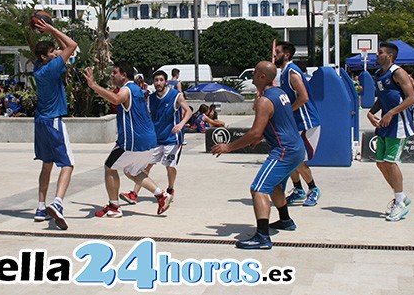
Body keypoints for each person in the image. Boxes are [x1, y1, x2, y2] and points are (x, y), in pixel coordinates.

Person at [212, 61, 304, 250]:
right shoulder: (280, 93)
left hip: (284, 151)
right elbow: (276, 122)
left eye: (254, 72)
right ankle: (285, 220)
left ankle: (262, 237)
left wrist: (229, 147)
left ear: (262, 77)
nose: (252, 74)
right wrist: (260, 135)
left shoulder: (264, 100)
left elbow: (254, 132)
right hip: (295, 148)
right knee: (274, 186)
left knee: (258, 189)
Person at [83, 62, 172, 218]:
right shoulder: (138, 89)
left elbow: (117, 99)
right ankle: (161, 195)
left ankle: (114, 206)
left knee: (109, 167)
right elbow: (117, 98)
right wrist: (102, 92)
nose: (112, 74)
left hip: (133, 141)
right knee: (133, 171)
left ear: (124, 75)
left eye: (115, 72)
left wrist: (93, 85)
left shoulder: (126, 90)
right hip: (149, 140)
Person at [31, 17, 78, 230]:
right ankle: (57, 203)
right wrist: (51, 29)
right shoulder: (51, 70)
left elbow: (63, 48)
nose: (55, 53)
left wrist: (54, 48)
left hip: (40, 122)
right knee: (68, 164)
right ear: (44, 56)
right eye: (51, 53)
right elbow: (72, 45)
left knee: (46, 164)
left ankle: (41, 207)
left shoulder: (38, 67)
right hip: (53, 122)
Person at [120, 70, 192, 205]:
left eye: (161, 80)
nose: (158, 83)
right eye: (156, 80)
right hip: (156, 139)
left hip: (172, 139)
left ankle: (170, 189)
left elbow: (189, 111)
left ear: (166, 81)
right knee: (145, 167)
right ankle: (134, 194)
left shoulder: (176, 95)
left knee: (169, 167)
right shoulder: (151, 99)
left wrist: (181, 125)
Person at [367, 41, 414, 222]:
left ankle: (399, 202)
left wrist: (391, 112)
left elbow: (411, 98)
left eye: (379, 52)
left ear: (390, 56)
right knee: (380, 163)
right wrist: (371, 113)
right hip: (385, 124)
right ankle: (400, 196)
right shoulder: (379, 74)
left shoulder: (398, 72)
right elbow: (381, 98)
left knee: (390, 161)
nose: (376, 55)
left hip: (399, 123)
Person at [274, 41, 322, 207]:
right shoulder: (283, 73)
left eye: (278, 52)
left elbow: (303, 97)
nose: (275, 55)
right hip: (296, 123)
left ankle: (313, 189)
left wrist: (287, 112)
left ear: (286, 55)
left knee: (298, 160)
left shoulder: (292, 72)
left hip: (307, 122)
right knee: (290, 157)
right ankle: (298, 189)